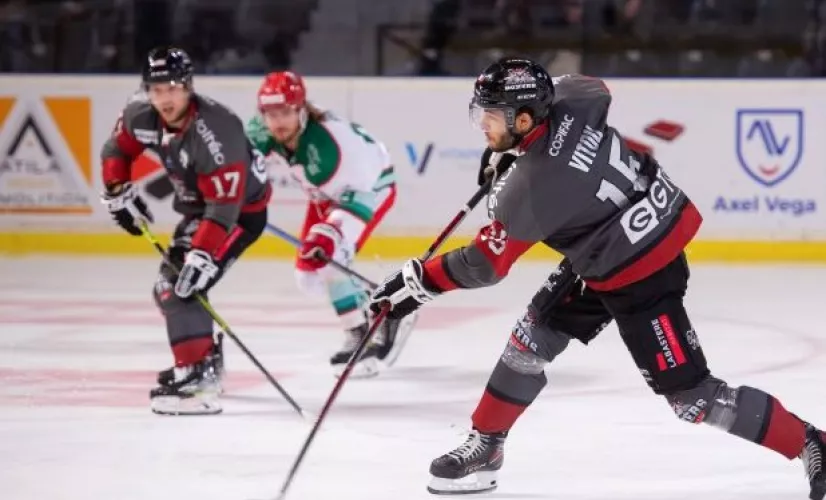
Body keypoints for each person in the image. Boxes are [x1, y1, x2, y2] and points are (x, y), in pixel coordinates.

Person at [368, 57, 825, 498]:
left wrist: (418, 280)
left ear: (526, 120)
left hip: (641, 272)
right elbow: (591, 88)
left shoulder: (533, 189)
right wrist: (519, 154)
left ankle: (811, 442)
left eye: (491, 117)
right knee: (530, 342)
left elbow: (485, 265)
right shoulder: (572, 99)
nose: (483, 127)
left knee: (693, 398)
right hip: (610, 242)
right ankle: (487, 445)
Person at [100, 46, 272, 415]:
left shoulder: (218, 130)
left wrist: (203, 253)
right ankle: (203, 363)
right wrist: (118, 192)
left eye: (173, 87)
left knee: (180, 286)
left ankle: (199, 378)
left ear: (189, 87)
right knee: (173, 288)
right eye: (156, 89)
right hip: (202, 208)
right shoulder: (140, 114)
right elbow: (117, 149)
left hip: (238, 212)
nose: (165, 98)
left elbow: (225, 206)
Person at [246, 70, 414, 378]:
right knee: (308, 278)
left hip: (371, 189)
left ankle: (360, 333)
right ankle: (384, 302)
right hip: (326, 193)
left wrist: (331, 233)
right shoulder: (263, 129)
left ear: (301, 110)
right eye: (270, 114)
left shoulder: (331, 145)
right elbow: (236, 166)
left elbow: (358, 198)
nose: (277, 121)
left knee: (329, 257)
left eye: (284, 112)